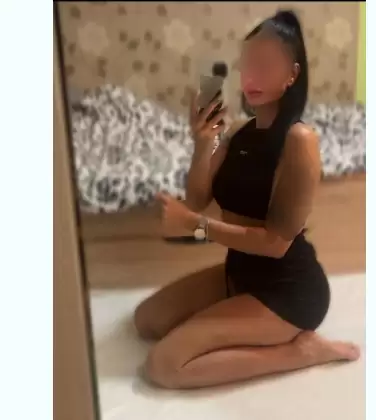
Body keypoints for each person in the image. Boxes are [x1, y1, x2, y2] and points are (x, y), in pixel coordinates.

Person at [134, 10, 360, 389]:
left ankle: (301, 351)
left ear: (292, 75)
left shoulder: (299, 141)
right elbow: (197, 197)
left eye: (266, 64)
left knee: (163, 365)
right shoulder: (239, 133)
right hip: (238, 273)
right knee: (147, 321)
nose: (253, 75)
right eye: (248, 63)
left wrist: (197, 227)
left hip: (287, 290)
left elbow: (275, 243)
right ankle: (243, 322)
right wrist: (203, 142)